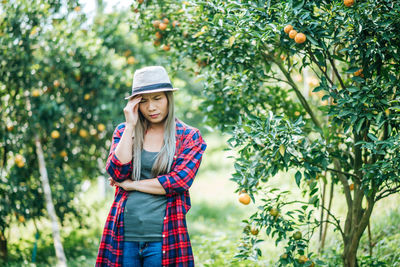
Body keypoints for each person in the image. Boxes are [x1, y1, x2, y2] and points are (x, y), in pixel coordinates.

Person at [95, 66, 207, 267]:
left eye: (157, 98)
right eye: (143, 101)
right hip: (123, 234)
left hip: (165, 236)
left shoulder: (189, 136)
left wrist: (132, 185)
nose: (151, 107)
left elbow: (178, 182)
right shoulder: (124, 131)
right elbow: (117, 171)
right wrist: (130, 125)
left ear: (168, 99)